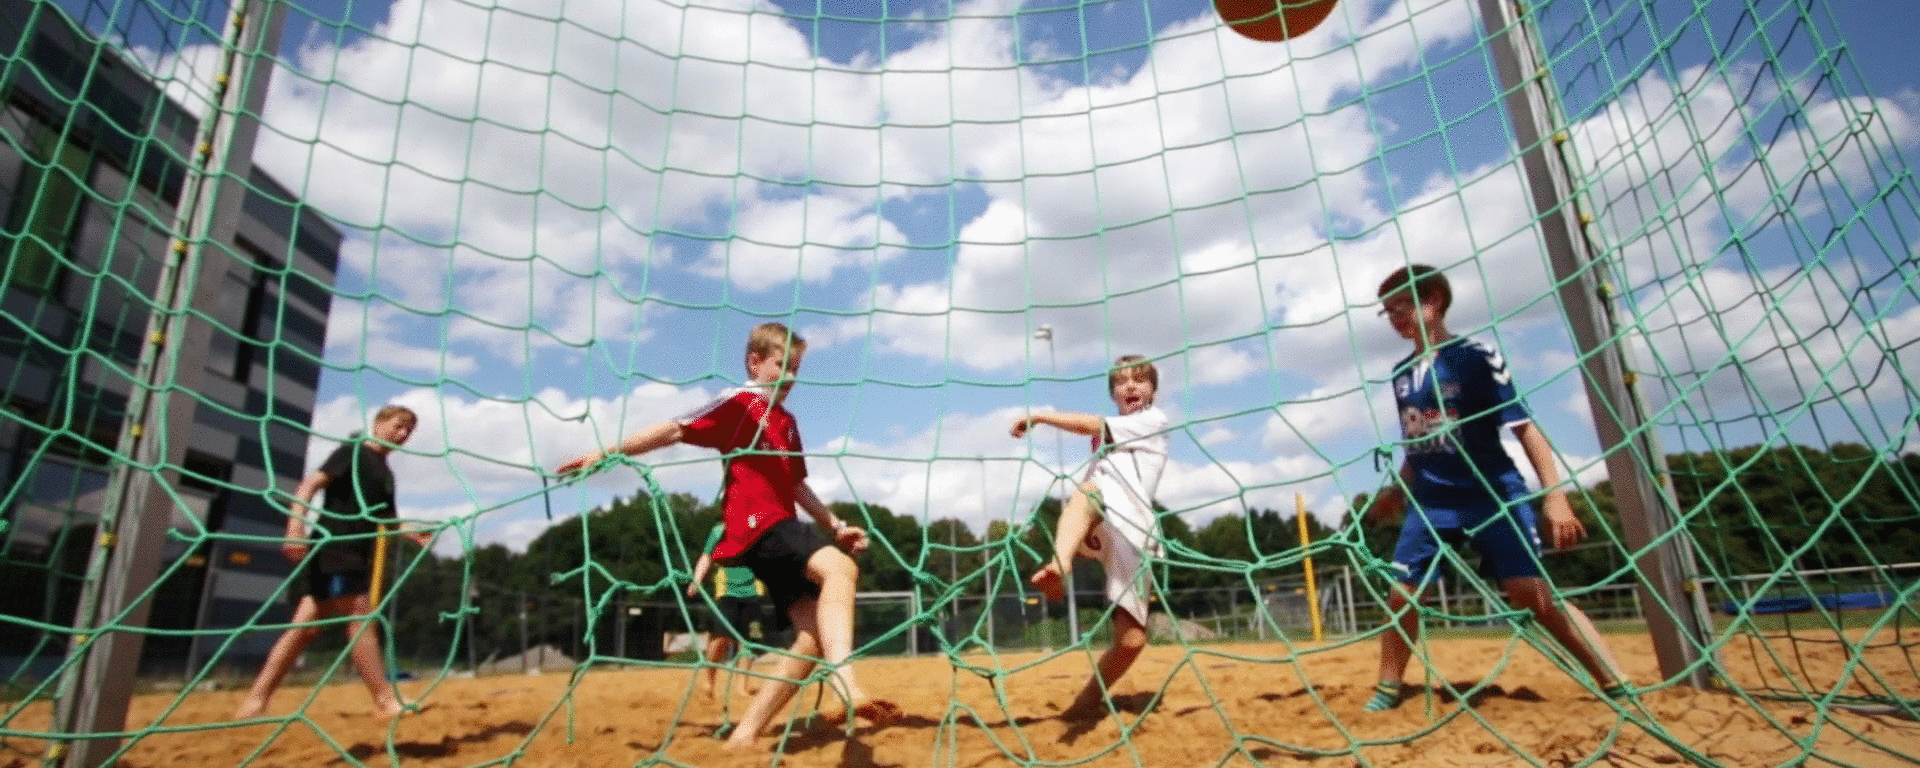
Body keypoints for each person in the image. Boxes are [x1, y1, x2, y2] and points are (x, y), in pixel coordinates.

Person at [555, 322, 896, 749]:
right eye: (781, 366)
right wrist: (603, 453)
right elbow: (674, 429)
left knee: (810, 638)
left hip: (780, 528)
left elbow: (795, 485)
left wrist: (837, 526)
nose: (790, 378)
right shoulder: (739, 403)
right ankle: (846, 681)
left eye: (796, 369)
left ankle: (745, 733)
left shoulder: (787, 422)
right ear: (755, 361)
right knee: (839, 569)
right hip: (758, 528)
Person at [1361, 264, 1627, 712]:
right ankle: (1388, 687)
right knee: (1402, 593)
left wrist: (1555, 496)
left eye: (1401, 305)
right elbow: (1419, 443)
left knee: (1530, 594)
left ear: (1434, 302)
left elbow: (1525, 429)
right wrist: (1397, 490)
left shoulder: (1475, 355)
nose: (1394, 317)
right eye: (1386, 311)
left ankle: (1615, 680)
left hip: (1491, 494)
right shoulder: (1401, 373)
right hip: (1432, 502)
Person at [234, 405, 434, 721]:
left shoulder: (385, 472)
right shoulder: (351, 454)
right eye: (398, 426)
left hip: (355, 553)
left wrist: (413, 534)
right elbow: (309, 485)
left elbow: (385, 521)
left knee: (303, 630)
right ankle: (383, 700)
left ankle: (255, 701)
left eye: (409, 430)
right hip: (337, 550)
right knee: (360, 617)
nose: (403, 434)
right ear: (379, 423)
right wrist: (295, 526)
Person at [1013, 354, 1169, 720]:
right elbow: (1095, 440)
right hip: (1100, 512)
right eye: (1121, 381)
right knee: (1088, 490)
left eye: (1139, 379)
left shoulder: (1152, 420)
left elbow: (1089, 424)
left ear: (1153, 390)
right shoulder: (1106, 440)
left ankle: (1088, 699)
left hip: (1133, 529)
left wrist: (1040, 415)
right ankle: (1060, 562)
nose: (1130, 386)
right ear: (1114, 392)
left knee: (1132, 642)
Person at [686, 521, 770, 699]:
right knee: (720, 639)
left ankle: (742, 687)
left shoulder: (761, 527)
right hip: (727, 592)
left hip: (754, 591)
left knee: (750, 641)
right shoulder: (719, 530)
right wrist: (697, 579)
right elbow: (706, 556)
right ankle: (709, 680)